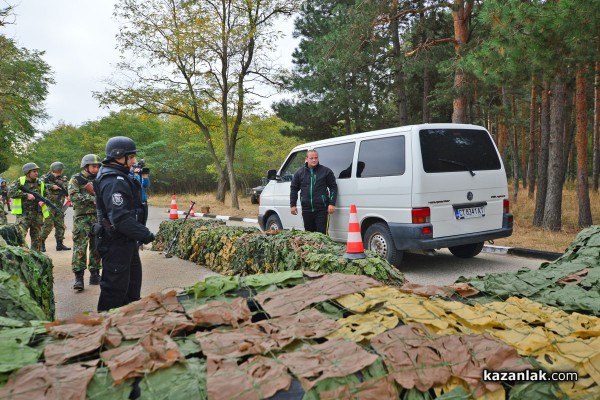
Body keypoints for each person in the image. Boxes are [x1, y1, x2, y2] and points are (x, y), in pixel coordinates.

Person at [94, 136, 155, 312]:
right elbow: (120, 218)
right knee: (114, 293)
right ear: (119, 156)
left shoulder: (120, 176)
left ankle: (130, 324)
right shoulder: (113, 180)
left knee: (132, 289)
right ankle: (105, 330)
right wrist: (145, 234)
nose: (134, 161)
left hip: (126, 241)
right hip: (116, 243)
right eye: (131, 157)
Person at [68, 154, 103, 291]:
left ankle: (95, 274)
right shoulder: (76, 179)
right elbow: (73, 196)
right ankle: (79, 277)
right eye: (94, 166)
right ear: (86, 166)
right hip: (82, 217)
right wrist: (92, 199)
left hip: (97, 216)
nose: (97, 168)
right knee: (80, 247)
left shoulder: (100, 178)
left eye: (98, 166)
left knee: (96, 245)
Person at [290, 149, 337, 234]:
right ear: (306, 159)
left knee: (321, 235)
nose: (314, 160)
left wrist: (332, 203)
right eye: (311, 158)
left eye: (316, 158)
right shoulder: (299, 173)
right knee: (309, 236)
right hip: (306, 210)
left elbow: (333, 187)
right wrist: (293, 205)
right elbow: (293, 188)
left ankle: (321, 248)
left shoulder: (326, 171)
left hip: (322, 210)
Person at [7, 162, 50, 251]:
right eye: (34, 171)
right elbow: (10, 193)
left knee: (37, 240)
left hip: (37, 215)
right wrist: (26, 195)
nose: (36, 173)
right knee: (20, 237)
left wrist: (43, 200)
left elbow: (46, 195)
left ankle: (35, 259)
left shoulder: (40, 182)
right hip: (23, 216)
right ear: (27, 172)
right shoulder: (20, 181)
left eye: (37, 171)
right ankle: (23, 257)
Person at [40, 162, 71, 252]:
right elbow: (39, 186)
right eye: (60, 169)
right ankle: (41, 243)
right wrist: (51, 186)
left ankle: (59, 244)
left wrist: (68, 195)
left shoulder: (63, 179)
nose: (61, 171)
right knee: (48, 225)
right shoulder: (45, 177)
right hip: (48, 204)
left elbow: (67, 188)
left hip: (59, 205)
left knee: (60, 225)